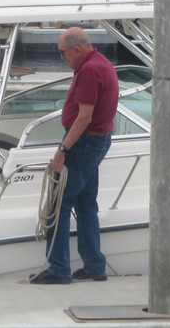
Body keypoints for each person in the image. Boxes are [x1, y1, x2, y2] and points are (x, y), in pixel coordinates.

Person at [30, 27, 120, 284]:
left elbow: (84, 117)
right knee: (86, 204)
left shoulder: (90, 70)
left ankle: (59, 269)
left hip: (83, 143)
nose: (62, 57)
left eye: (62, 52)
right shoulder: (101, 63)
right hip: (96, 141)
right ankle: (94, 265)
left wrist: (62, 150)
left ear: (77, 50)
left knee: (58, 205)